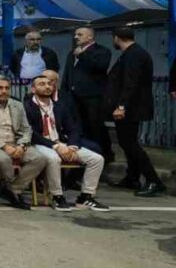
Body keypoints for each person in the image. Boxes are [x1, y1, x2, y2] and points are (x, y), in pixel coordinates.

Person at [25, 73, 107, 211]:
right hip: (39, 143)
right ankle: (57, 196)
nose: (47, 87)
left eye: (49, 84)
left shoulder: (59, 106)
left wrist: (72, 146)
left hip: (62, 143)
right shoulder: (26, 107)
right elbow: (31, 133)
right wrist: (56, 146)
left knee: (96, 159)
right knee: (53, 158)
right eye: (42, 84)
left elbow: (73, 128)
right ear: (33, 89)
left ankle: (86, 197)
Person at [0, 75, 48, 210]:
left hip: (15, 142)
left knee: (39, 159)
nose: (4, 91)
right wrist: (4, 146)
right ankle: (13, 192)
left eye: (7, 88)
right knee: (3, 160)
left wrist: (22, 145)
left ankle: (13, 189)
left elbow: (26, 129)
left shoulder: (17, 105)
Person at [106, 26, 164, 197]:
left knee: (130, 144)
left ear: (116, 38)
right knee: (127, 143)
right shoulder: (134, 53)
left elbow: (131, 82)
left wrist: (121, 106)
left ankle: (154, 181)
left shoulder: (134, 55)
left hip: (131, 108)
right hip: (131, 107)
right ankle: (132, 177)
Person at [61, 26, 113, 164]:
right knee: (78, 126)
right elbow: (68, 73)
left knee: (95, 126)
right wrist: (64, 92)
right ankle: (85, 153)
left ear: (90, 37)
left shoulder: (102, 51)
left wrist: (82, 55)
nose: (76, 37)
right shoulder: (72, 53)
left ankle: (103, 155)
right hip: (73, 97)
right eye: (75, 34)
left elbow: (100, 67)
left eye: (80, 34)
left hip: (93, 97)